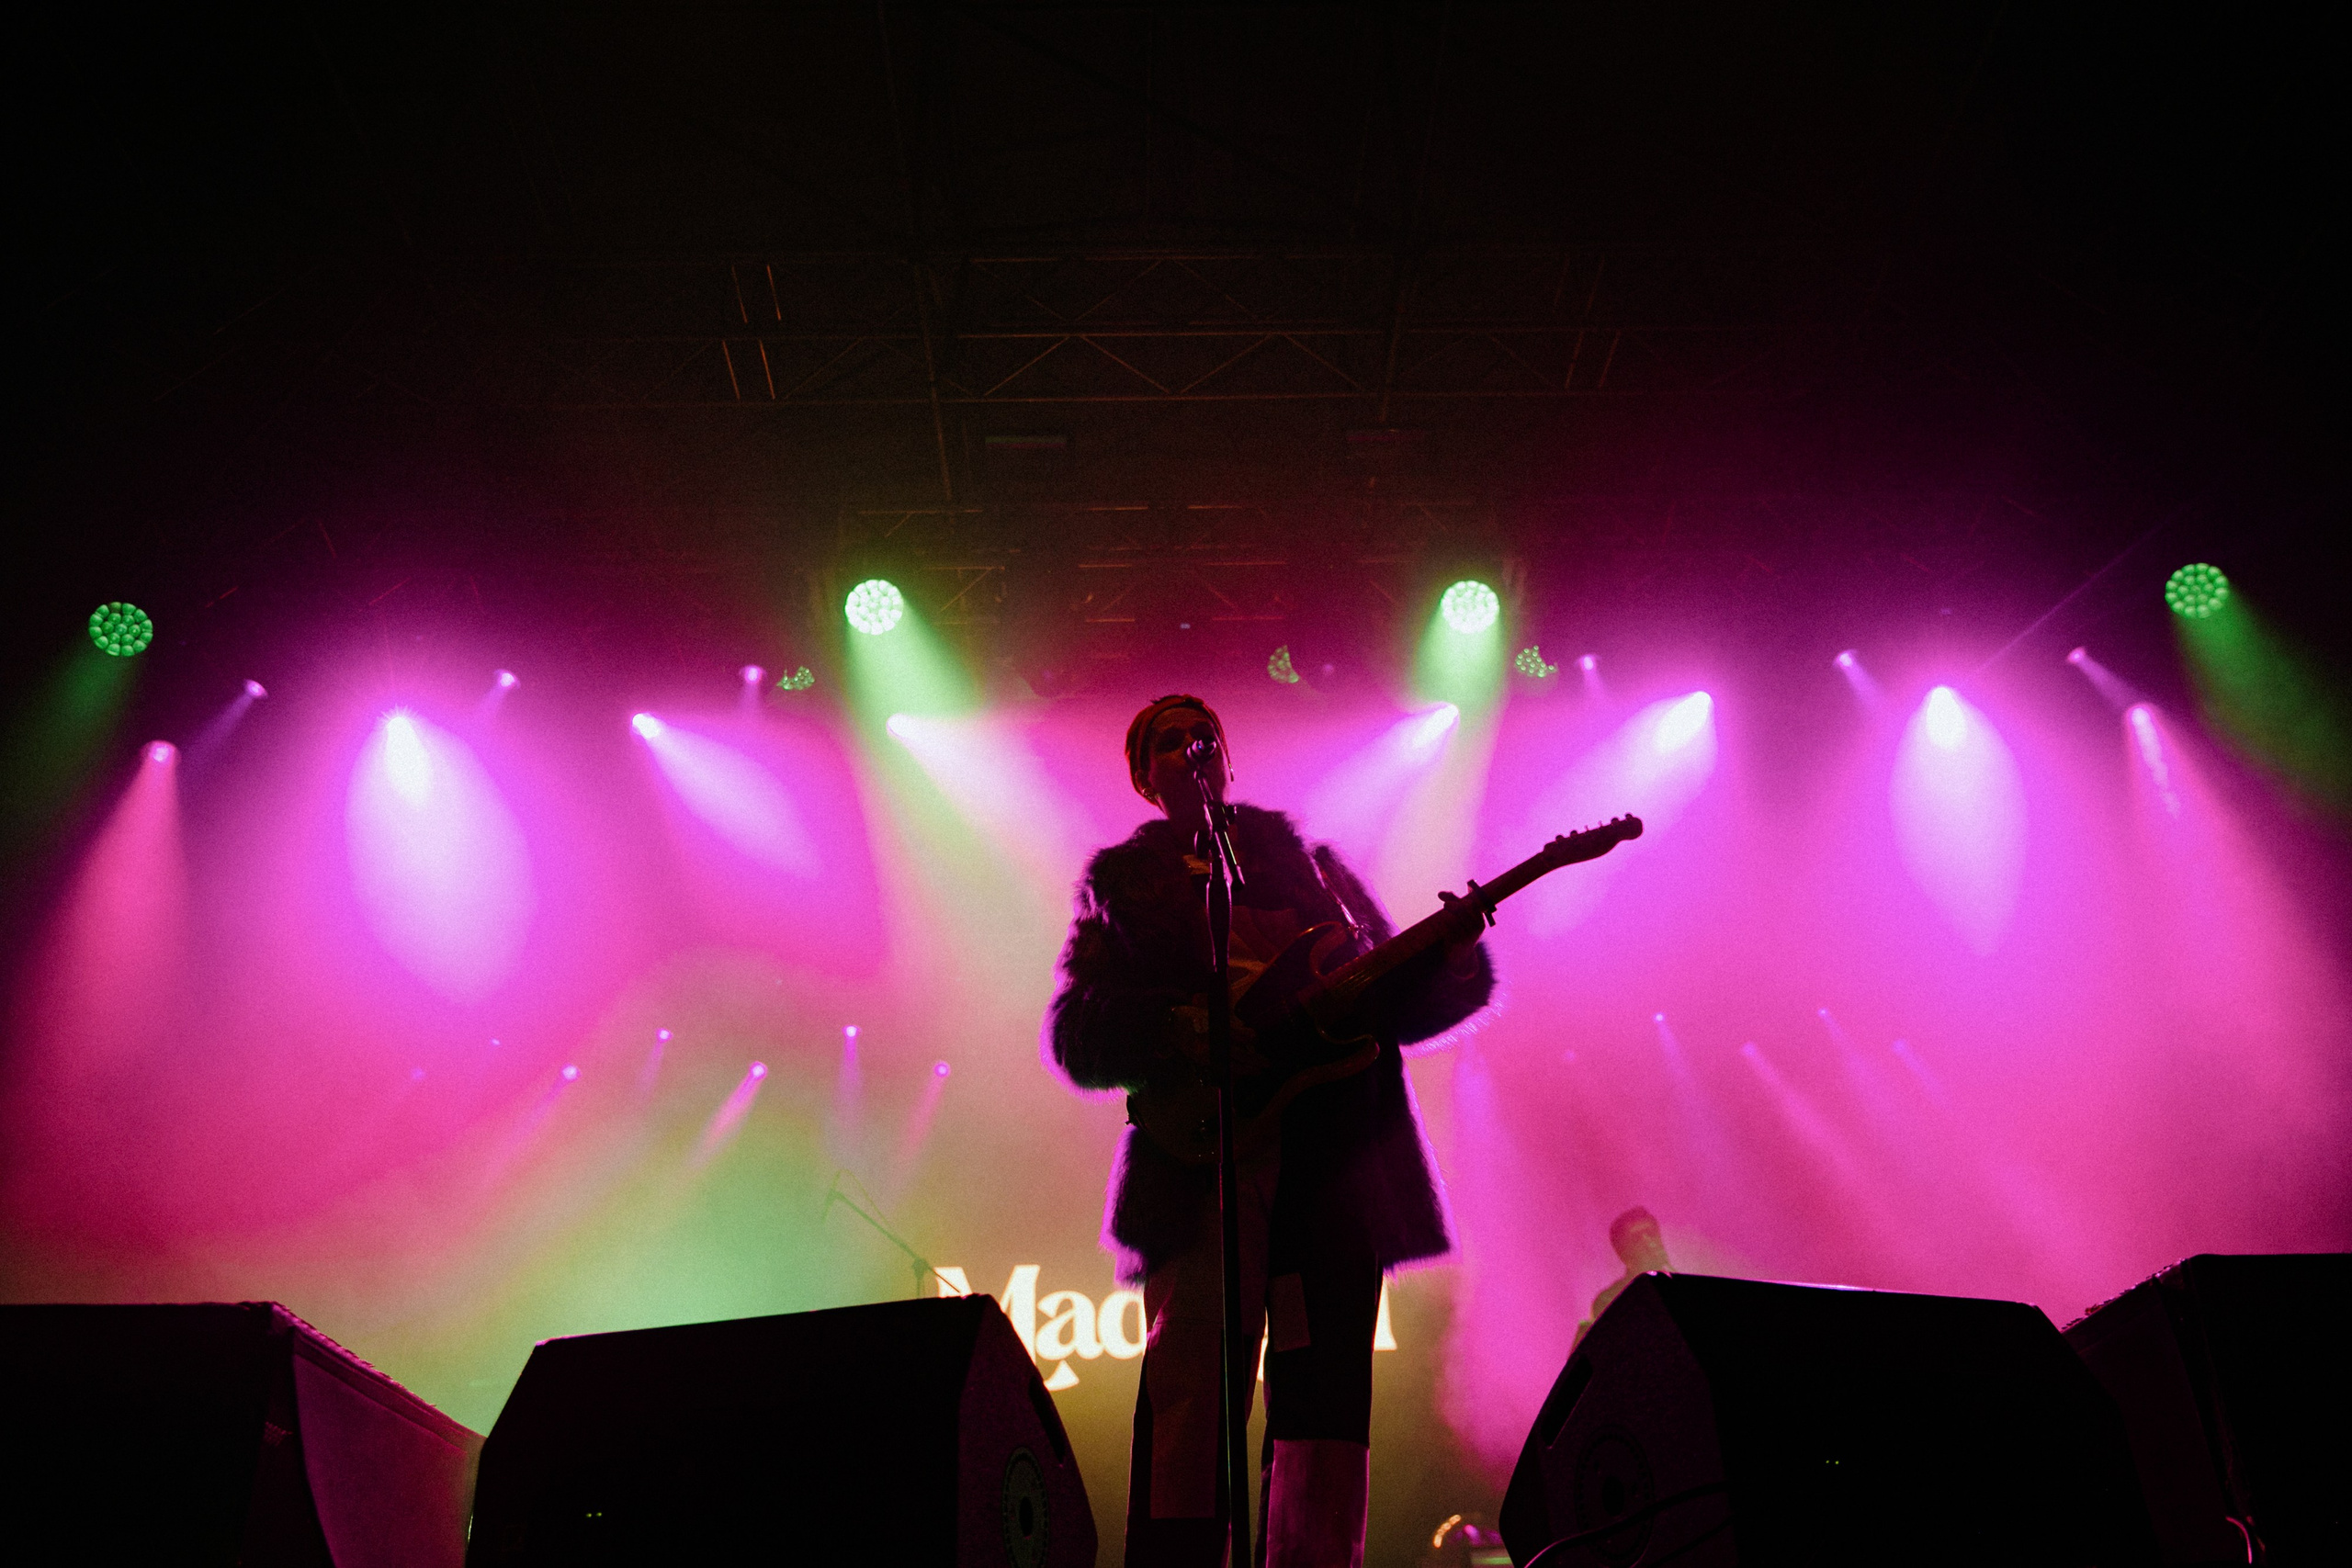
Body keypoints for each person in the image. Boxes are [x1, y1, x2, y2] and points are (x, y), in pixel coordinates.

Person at [1046, 694, 1494, 1568]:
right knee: (1190, 1405)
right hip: (1199, 1165)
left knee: (1325, 1412)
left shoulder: (1313, 869)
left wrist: (1451, 955)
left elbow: (1393, 1002)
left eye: (1201, 730)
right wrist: (1171, 1024)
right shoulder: (1120, 888)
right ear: (1146, 778)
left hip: (1330, 1168)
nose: (1189, 744)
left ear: (1227, 758)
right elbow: (1075, 1030)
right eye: (1166, 740)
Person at [1571, 1207, 1674, 1350]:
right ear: (1623, 1254)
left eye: (1651, 1234)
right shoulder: (1610, 1299)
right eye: (1637, 1239)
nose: (1649, 1243)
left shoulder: (1681, 1287)